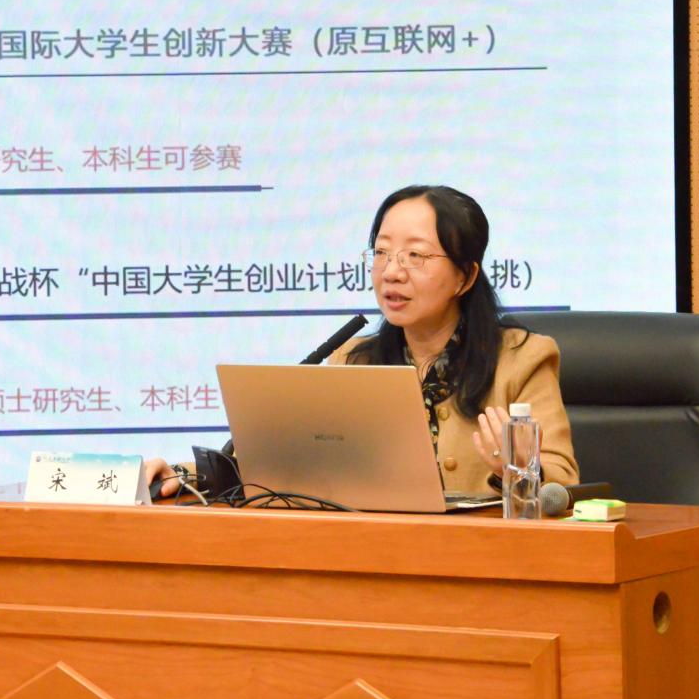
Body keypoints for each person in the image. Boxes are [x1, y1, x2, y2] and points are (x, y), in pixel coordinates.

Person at [145, 184, 578, 498]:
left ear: (465, 276)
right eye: (382, 252)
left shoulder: (521, 359)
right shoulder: (355, 360)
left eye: (415, 255)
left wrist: (517, 469)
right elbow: (277, 462)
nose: (392, 272)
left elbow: (565, 485)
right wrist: (186, 475)